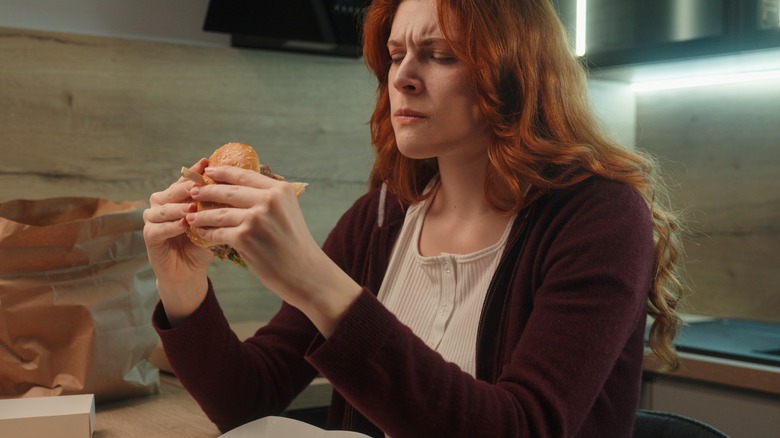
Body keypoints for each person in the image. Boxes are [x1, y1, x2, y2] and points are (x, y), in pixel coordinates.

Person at [142, 0, 686, 436]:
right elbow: (247, 401)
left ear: (517, 72)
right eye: (397, 53)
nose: (402, 76)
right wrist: (181, 282)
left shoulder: (600, 218)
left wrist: (316, 281)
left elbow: (523, 425)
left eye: (440, 54)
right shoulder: (380, 218)